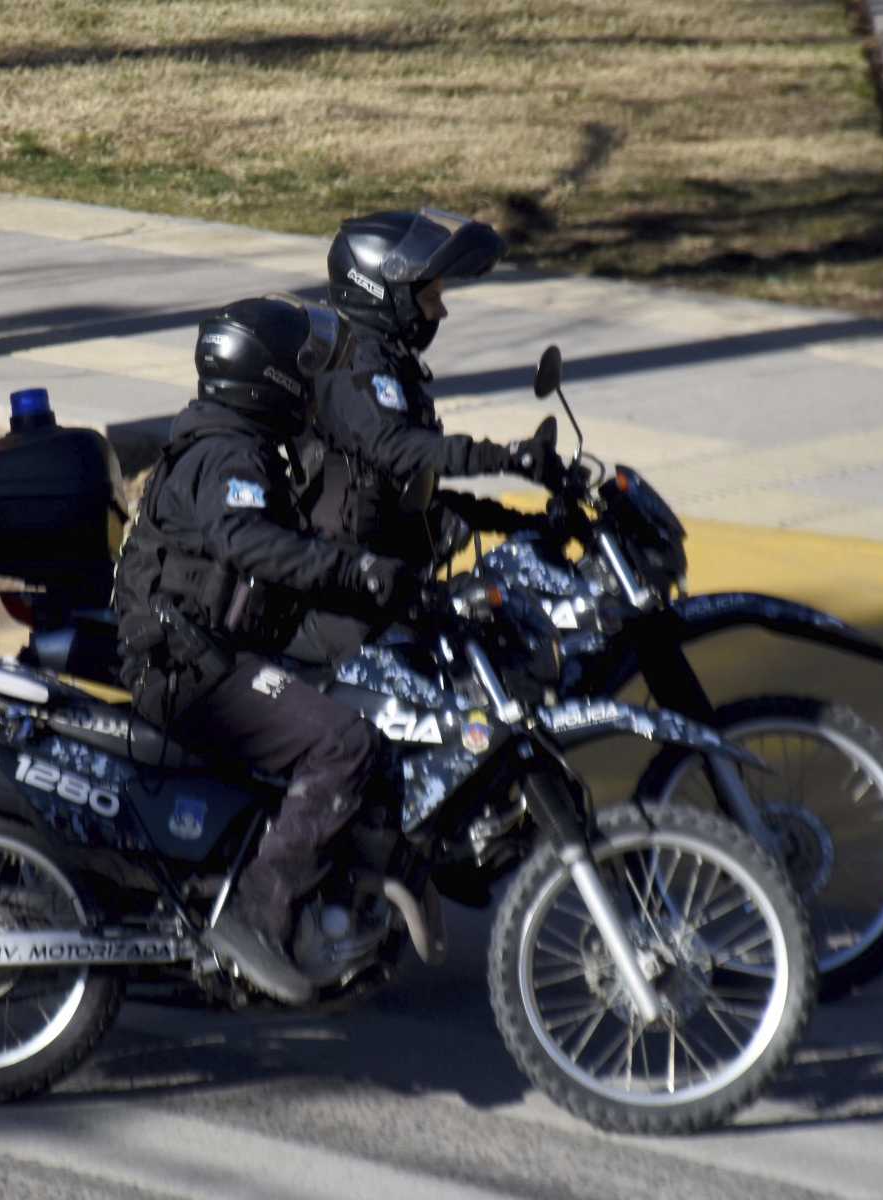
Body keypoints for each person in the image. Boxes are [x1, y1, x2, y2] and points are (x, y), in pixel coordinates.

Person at [112, 294, 410, 1006]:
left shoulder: (234, 441)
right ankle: (257, 913)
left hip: (209, 653)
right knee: (342, 742)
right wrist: (353, 571)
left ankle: (326, 894)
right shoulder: (228, 454)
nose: (314, 384)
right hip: (192, 672)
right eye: (305, 369)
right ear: (269, 377)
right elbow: (247, 542)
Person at [288, 208, 561, 662]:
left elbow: (407, 494)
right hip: (342, 598)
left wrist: (521, 523)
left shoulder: (387, 362)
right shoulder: (352, 365)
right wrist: (509, 457)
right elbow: (397, 451)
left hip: (381, 576)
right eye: (431, 297)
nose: (442, 310)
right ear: (383, 294)